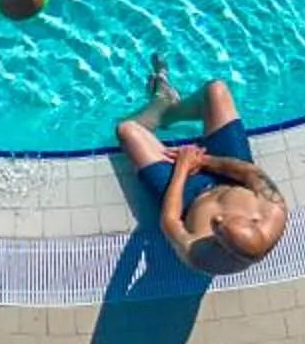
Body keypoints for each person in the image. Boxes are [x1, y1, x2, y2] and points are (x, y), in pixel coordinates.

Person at [118, 58, 286, 274]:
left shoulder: (201, 257)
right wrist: (205, 161)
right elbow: (250, 172)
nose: (217, 218)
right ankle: (169, 111)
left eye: (217, 228)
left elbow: (169, 220)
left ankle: (158, 108)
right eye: (224, 221)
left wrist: (182, 168)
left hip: (185, 193)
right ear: (253, 221)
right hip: (228, 172)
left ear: (224, 248)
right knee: (216, 90)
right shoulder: (274, 210)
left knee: (127, 130)